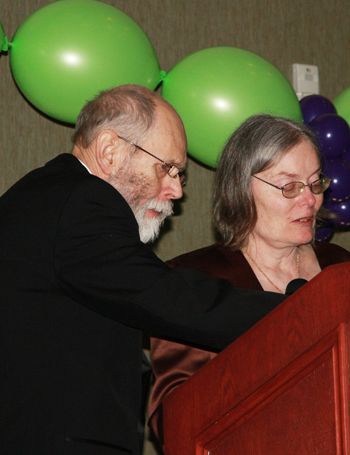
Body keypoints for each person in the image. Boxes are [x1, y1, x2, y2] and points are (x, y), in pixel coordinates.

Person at [0, 86, 287, 455]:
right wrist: (301, 310)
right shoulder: (82, 200)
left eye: (178, 174)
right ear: (110, 151)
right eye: (166, 168)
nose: (176, 191)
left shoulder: (44, 197)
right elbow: (169, 298)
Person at [149, 114, 350, 446]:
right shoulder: (192, 279)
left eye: (315, 183)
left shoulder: (340, 268)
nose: (310, 199)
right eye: (289, 186)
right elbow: (172, 421)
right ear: (241, 188)